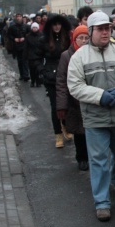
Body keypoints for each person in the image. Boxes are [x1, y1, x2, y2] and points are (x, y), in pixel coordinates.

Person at [67, 11, 115, 222]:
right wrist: (100, 96)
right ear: (90, 32)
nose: (105, 32)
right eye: (100, 29)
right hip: (94, 118)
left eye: (107, 28)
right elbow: (75, 86)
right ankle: (102, 201)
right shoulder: (79, 56)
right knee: (98, 160)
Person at [34, 14, 73, 148]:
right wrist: (43, 71)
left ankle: (66, 126)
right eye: (54, 24)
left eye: (59, 24)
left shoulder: (67, 39)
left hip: (67, 74)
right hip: (51, 77)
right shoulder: (44, 40)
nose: (57, 27)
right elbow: (36, 57)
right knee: (55, 106)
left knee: (67, 103)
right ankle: (57, 134)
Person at [57, 25, 91, 171]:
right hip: (74, 101)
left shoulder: (92, 53)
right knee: (79, 132)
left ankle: (91, 157)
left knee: (92, 132)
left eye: (86, 38)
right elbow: (61, 81)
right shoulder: (67, 55)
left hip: (90, 98)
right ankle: (81, 157)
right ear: (74, 39)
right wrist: (62, 105)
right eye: (80, 38)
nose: (83, 41)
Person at [7, 13, 30, 81]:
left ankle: (26, 74)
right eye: (17, 17)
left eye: (20, 16)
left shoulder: (26, 26)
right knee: (19, 61)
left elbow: (29, 34)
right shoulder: (12, 27)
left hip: (25, 45)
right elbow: (9, 35)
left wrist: (24, 37)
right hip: (16, 46)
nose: (18, 18)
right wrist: (14, 39)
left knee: (25, 60)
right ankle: (22, 74)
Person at [24, 22, 43, 87]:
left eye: (36, 27)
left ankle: (38, 81)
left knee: (38, 69)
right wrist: (25, 55)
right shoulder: (28, 36)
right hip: (31, 55)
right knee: (32, 69)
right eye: (33, 28)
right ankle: (32, 81)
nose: (34, 29)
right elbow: (26, 46)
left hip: (39, 55)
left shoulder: (41, 35)